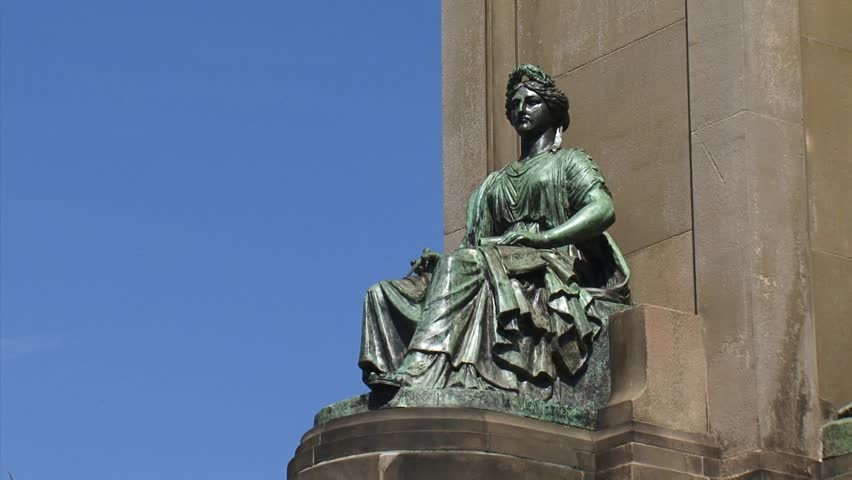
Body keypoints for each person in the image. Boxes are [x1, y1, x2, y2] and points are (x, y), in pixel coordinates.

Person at [359, 64, 631, 401]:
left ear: (553, 109)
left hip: (550, 264)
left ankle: (420, 368)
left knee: (471, 263)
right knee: (382, 292)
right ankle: (389, 380)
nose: (521, 110)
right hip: (497, 262)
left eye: (531, 102)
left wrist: (544, 238)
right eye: (515, 105)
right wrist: (439, 262)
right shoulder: (494, 183)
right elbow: (469, 249)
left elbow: (603, 209)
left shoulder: (570, 162)